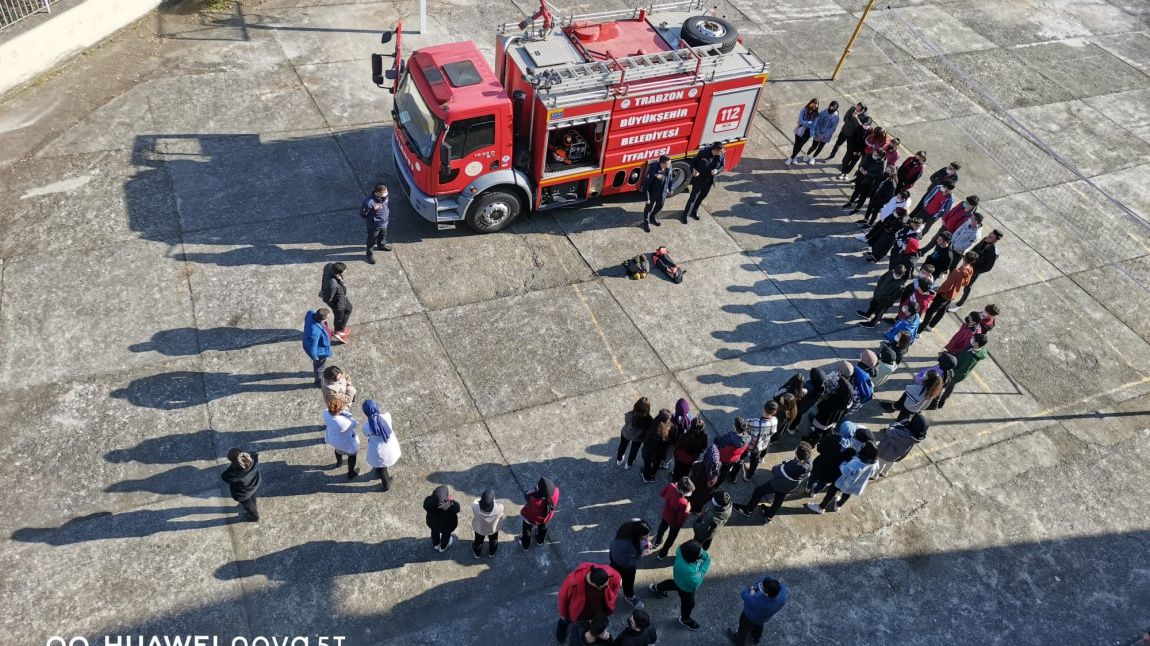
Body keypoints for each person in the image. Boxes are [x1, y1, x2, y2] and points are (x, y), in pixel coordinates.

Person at [734, 442, 812, 524]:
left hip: (779, 483)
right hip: (792, 485)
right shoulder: (809, 464)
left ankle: (747, 510)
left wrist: (783, 464)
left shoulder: (790, 466)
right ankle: (769, 516)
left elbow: (775, 470)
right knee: (779, 499)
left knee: (758, 491)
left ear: (798, 454)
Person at [648, 539, 710, 631]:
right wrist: (702, 569)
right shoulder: (689, 571)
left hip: (679, 579)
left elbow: (704, 555)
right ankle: (685, 619)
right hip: (687, 588)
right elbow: (696, 583)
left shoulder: (682, 550)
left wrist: (703, 557)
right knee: (689, 604)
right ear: (694, 557)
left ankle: (656, 588)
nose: (702, 552)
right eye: (699, 553)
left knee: (672, 584)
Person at [805, 441, 879, 514]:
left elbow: (845, 471)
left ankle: (821, 507)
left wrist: (843, 464)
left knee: (831, 491)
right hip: (856, 484)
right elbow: (872, 473)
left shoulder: (857, 463)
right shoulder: (875, 463)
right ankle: (838, 505)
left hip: (843, 481)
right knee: (847, 494)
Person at [557, 564, 622, 643]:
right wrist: (563, 614)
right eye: (605, 586)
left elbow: (616, 582)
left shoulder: (609, 574)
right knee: (565, 620)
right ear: (595, 585)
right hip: (578, 611)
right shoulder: (572, 581)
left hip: (596, 611)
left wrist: (611, 602)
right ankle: (561, 629)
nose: (608, 586)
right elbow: (563, 598)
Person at [807, 422, 872, 494]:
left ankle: (808, 488)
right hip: (833, 471)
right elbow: (848, 462)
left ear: (841, 430)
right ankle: (814, 492)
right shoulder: (852, 450)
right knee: (823, 483)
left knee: (813, 477)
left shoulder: (831, 438)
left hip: (820, 464)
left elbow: (819, 449)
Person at [922, 251, 979, 332]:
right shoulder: (970, 269)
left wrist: (938, 290)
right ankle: (931, 325)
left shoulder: (957, 271)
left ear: (964, 258)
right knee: (942, 310)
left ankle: (923, 325)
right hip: (953, 294)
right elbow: (966, 283)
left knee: (931, 310)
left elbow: (948, 286)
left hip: (944, 294)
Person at [728, 576, 789, 645]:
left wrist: (752, 590)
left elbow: (743, 593)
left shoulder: (757, 601)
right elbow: (780, 585)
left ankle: (739, 641)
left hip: (749, 617)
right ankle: (756, 638)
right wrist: (771, 583)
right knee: (759, 626)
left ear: (766, 593)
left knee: (743, 629)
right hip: (763, 618)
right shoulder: (782, 596)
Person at [953, 230, 1002, 310]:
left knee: (967, 287)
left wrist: (974, 272)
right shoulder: (985, 239)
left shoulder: (993, 252)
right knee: (957, 277)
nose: (989, 237)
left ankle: (960, 304)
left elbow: (988, 267)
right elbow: (974, 248)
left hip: (975, 271)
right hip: (969, 263)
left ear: (995, 240)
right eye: (989, 234)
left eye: (991, 237)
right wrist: (967, 258)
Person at [937, 333, 989, 408]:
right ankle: (943, 397)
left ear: (977, 343)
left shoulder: (971, 358)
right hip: (955, 369)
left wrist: (950, 373)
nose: (971, 339)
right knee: (950, 385)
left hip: (956, 374)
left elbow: (962, 372)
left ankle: (941, 399)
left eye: (973, 339)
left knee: (946, 384)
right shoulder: (975, 348)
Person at [610, 519, 652, 608]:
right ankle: (630, 596)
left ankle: (613, 581)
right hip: (625, 564)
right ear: (638, 535)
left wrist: (644, 541)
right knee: (629, 579)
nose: (648, 537)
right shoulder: (633, 546)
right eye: (645, 536)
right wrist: (645, 547)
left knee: (614, 570)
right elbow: (639, 554)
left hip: (614, 552)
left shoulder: (628, 526)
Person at [874, 414, 928, 478]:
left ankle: (875, 475)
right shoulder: (916, 436)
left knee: (880, 464)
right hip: (896, 455)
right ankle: (884, 472)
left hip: (886, 451)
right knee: (890, 463)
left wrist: (896, 424)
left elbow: (890, 430)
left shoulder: (903, 434)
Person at [653, 477, 694, 560]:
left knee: (662, 527)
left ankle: (657, 542)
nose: (690, 493)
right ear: (682, 491)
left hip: (666, 514)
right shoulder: (683, 503)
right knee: (671, 538)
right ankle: (662, 554)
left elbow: (662, 494)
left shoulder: (671, 485)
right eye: (689, 492)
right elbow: (680, 519)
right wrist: (687, 510)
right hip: (674, 522)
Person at [362, 399, 399, 491]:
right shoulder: (386, 417)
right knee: (383, 465)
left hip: (377, 450)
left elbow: (366, 434)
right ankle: (385, 481)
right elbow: (388, 416)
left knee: (381, 467)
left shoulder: (366, 426)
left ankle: (386, 485)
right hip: (389, 447)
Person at [683, 142, 725, 222]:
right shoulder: (703, 153)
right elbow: (693, 163)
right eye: (720, 151)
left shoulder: (720, 156)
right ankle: (685, 214)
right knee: (693, 198)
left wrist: (717, 171)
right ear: (715, 150)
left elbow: (722, 165)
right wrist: (693, 170)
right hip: (699, 180)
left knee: (701, 197)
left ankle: (694, 211)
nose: (722, 153)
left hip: (709, 181)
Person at [809, 362, 854, 437]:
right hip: (833, 417)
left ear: (840, 371)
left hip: (825, 398)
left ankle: (815, 427)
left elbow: (825, 381)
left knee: (820, 416)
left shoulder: (834, 375)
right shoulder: (848, 389)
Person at [858, 263, 909, 327]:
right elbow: (881, 279)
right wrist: (877, 290)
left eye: (898, 275)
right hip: (877, 295)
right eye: (895, 273)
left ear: (902, 275)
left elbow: (894, 297)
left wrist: (884, 299)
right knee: (872, 305)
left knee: (879, 313)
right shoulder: (890, 273)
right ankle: (868, 314)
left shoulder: (900, 285)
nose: (896, 275)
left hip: (884, 302)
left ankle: (872, 323)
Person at [323, 395, 360, 479]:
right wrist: (346, 413)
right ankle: (351, 473)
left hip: (333, 438)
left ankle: (339, 463)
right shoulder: (344, 423)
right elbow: (355, 422)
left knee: (337, 450)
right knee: (352, 455)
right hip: (345, 442)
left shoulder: (325, 413)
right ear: (339, 410)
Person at [221, 448, 261, 522]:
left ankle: (254, 517)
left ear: (235, 463)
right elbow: (254, 453)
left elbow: (224, 477)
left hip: (243, 493)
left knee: (248, 505)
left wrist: (232, 466)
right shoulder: (254, 457)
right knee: (253, 495)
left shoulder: (235, 474)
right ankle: (254, 505)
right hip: (254, 483)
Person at [843, 148, 887, 214]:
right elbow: (862, 162)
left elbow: (879, 175)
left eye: (877, 155)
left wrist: (868, 173)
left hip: (868, 182)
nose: (875, 155)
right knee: (856, 191)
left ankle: (857, 208)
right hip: (860, 177)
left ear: (880, 156)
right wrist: (860, 168)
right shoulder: (869, 155)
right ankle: (850, 202)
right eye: (875, 153)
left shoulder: (881, 163)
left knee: (863, 196)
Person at [520, 477, 559, 551]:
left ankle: (525, 545)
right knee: (543, 526)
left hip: (531, 518)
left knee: (527, 529)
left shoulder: (535, 501)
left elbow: (526, 494)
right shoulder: (556, 492)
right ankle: (540, 540)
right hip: (546, 516)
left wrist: (534, 490)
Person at [743, 401, 778, 478]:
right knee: (758, 456)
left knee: (752, 457)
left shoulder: (753, 422)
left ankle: (747, 473)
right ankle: (751, 473)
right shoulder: (775, 420)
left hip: (754, 445)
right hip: (764, 443)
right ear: (774, 412)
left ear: (764, 408)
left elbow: (744, 426)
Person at [466, 488, 504, 559]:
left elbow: (476, 501)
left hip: (479, 529)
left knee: (478, 541)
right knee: (494, 540)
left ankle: (477, 554)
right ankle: (491, 553)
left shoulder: (475, 507)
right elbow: (498, 503)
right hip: (493, 529)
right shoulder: (500, 507)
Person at [617, 397, 653, 469]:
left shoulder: (630, 414)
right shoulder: (649, 420)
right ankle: (629, 464)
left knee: (622, 446)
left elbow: (626, 421)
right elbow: (649, 430)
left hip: (626, 433)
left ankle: (619, 459)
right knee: (634, 450)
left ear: (636, 405)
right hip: (638, 437)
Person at [320, 262, 352, 343]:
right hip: (338, 303)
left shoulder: (329, 266)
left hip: (341, 296)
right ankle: (338, 332)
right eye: (345, 270)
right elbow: (327, 298)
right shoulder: (333, 284)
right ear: (339, 273)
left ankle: (341, 329)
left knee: (349, 309)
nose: (346, 271)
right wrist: (336, 306)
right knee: (339, 318)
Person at [423, 485, 461, 552]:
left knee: (434, 532)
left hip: (432, 523)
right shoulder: (450, 507)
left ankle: (436, 545)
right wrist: (450, 501)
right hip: (447, 526)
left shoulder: (428, 502)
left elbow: (427, 504)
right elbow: (457, 508)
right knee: (446, 535)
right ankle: (443, 547)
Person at [640, 410, 674, 483]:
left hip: (649, 452)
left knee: (647, 463)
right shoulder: (670, 428)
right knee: (656, 464)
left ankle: (646, 476)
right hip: (659, 453)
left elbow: (645, 440)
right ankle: (652, 475)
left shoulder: (651, 426)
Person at [360, 183, 391, 263]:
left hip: (384, 222)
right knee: (372, 240)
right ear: (377, 192)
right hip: (374, 225)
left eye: (386, 192)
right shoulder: (369, 202)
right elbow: (363, 214)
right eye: (383, 193)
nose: (386, 194)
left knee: (383, 235)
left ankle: (381, 245)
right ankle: (369, 254)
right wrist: (373, 220)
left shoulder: (385, 197)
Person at [302, 308, 332, 387]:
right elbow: (313, 348)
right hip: (320, 352)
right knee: (319, 367)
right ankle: (318, 381)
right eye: (327, 317)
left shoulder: (311, 312)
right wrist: (316, 358)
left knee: (318, 367)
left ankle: (317, 372)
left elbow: (307, 316)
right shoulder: (315, 332)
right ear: (323, 319)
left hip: (309, 341)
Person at [715, 418, 751, 484]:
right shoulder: (748, 438)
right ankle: (718, 483)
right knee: (724, 472)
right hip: (733, 459)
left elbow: (718, 441)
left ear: (734, 427)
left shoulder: (729, 437)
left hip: (723, 458)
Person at [642, 155, 673, 231]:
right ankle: (646, 222)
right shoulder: (653, 169)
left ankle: (653, 217)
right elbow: (646, 185)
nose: (670, 165)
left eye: (670, 163)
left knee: (659, 206)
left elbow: (670, 178)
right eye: (668, 163)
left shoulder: (669, 166)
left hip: (663, 193)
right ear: (662, 163)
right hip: (653, 193)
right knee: (648, 208)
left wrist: (670, 188)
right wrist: (647, 198)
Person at [687, 444, 722, 513]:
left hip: (695, 492)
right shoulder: (718, 467)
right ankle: (698, 510)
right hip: (707, 494)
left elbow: (692, 479)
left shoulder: (698, 466)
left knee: (693, 501)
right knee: (701, 501)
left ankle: (690, 510)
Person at [785, 99, 819, 165]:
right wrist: (808, 122)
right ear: (810, 103)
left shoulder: (816, 115)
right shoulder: (804, 110)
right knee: (796, 144)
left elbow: (813, 125)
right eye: (813, 103)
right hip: (800, 129)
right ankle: (794, 157)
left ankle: (791, 158)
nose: (814, 105)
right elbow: (800, 121)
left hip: (808, 132)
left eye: (816, 104)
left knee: (800, 145)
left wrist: (805, 123)